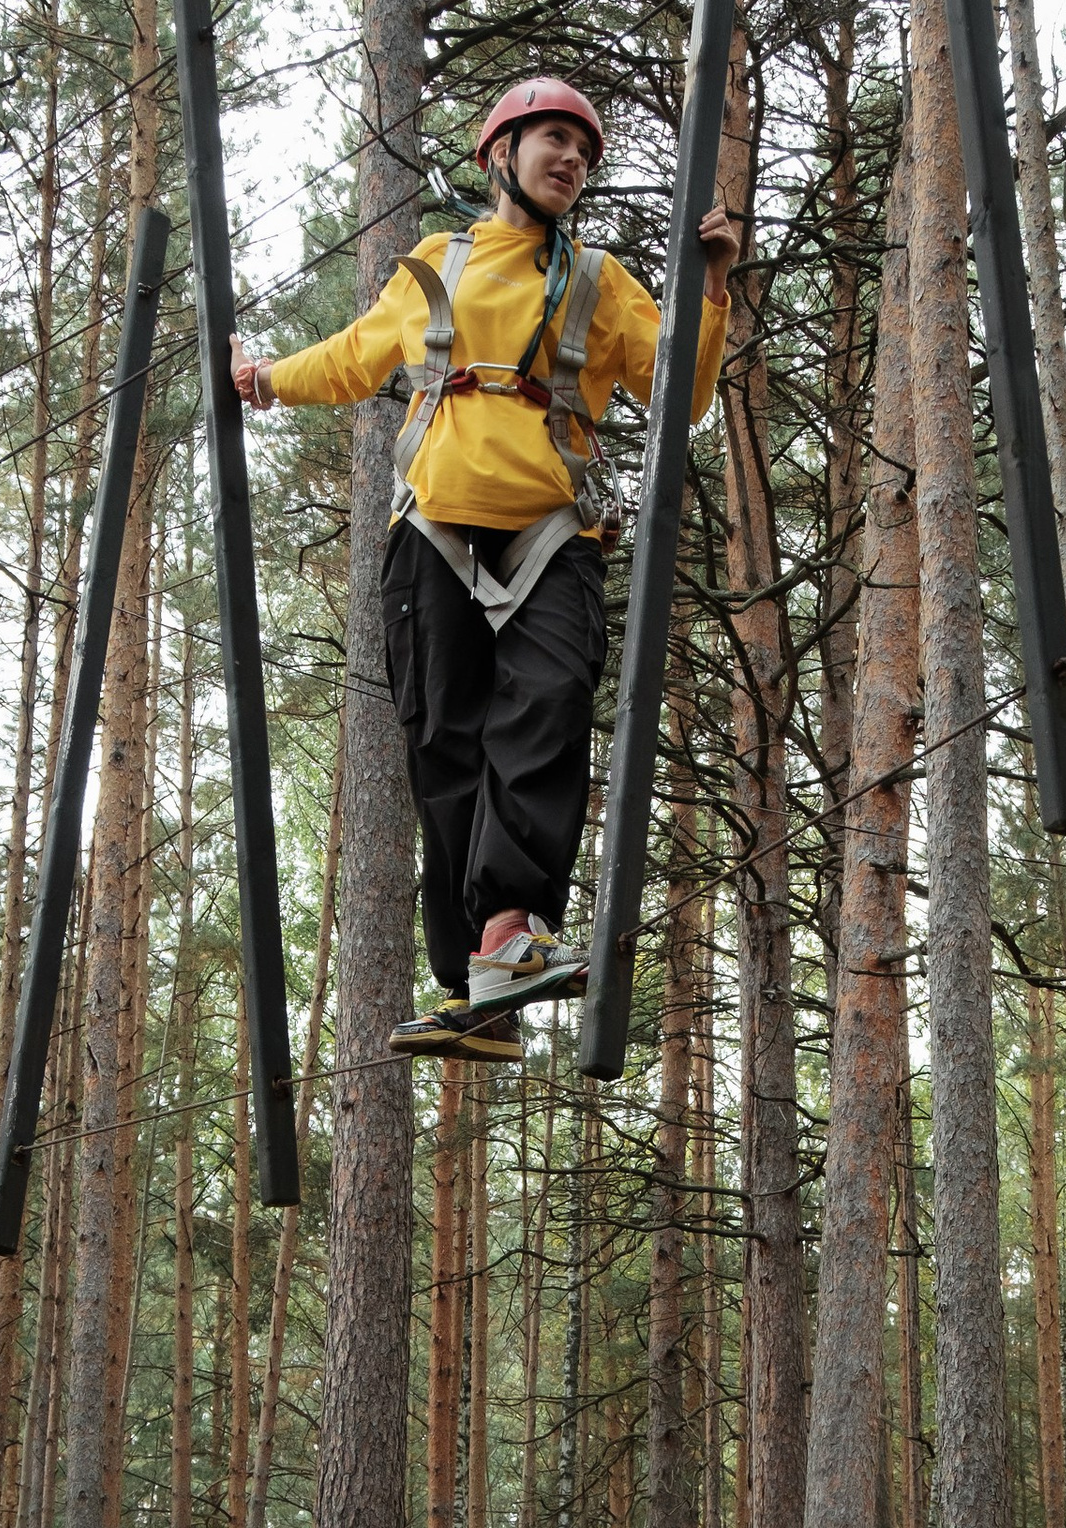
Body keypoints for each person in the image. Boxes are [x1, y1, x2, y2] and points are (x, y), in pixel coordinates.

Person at [232, 76, 736, 1063]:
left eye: (582, 152)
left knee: (542, 715)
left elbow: (679, 393)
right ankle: (480, 979)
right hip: (434, 532)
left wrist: (713, 288)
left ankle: (512, 932)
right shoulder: (438, 265)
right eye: (551, 140)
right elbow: (355, 357)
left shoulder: (598, 278)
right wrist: (263, 383)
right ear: (497, 155)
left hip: (554, 531)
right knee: (444, 747)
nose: (570, 161)